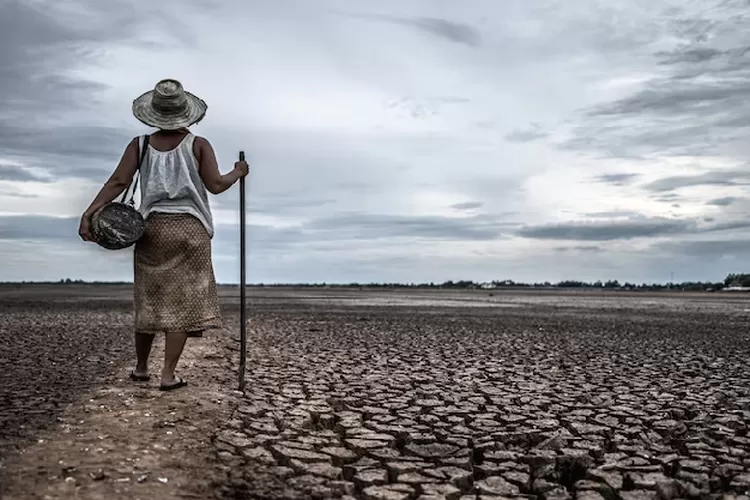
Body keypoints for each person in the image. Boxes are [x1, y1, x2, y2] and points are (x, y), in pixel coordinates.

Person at [78, 78, 249, 391]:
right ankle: (168, 375)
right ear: (187, 113)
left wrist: (90, 212)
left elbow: (117, 182)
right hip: (191, 231)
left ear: (153, 113)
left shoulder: (139, 145)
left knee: (149, 300)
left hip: (152, 229)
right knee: (181, 307)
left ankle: (142, 368)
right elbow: (216, 184)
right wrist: (238, 173)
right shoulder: (198, 144)